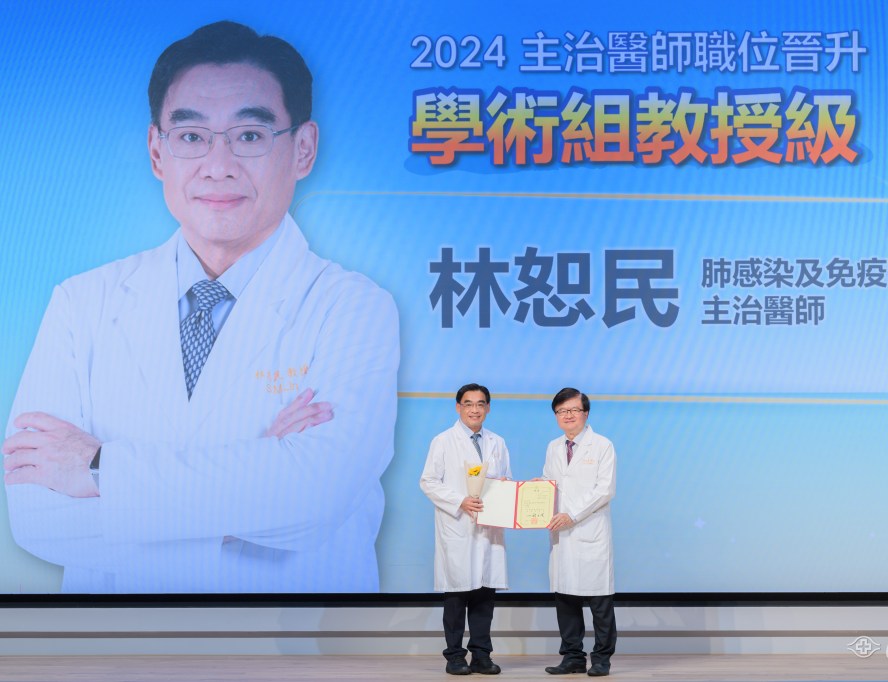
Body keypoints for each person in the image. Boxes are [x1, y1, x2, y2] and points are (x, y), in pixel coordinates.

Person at [1, 21, 399, 593]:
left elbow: (316, 497)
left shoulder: (354, 309)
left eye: (249, 135)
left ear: (303, 149)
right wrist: (249, 503)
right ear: (156, 151)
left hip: (290, 641)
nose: (218, 164)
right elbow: (36, 516)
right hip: (121, 641)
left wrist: (98, 468)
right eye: (191, 136)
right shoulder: (81, 304)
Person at [420, 384, 511, 676]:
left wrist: (510, 491)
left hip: (488, 529)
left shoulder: (497, 442)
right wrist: (460, 501)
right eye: (468, 403)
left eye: (480, 404)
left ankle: (482, 655)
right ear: (458, 407)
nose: (475, 409)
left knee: (484, 596)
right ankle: (455, 656)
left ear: (488, 408)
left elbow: (506, 480)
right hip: (458, 527)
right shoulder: (443, 441)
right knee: (457, 597)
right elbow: (428, 481)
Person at [542, 388, 617, 677]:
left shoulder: (602, 445)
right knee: (565, 599)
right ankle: (572, 657)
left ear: (585, 413)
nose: (568, 415)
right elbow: (550, 481)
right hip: (562, 535)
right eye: (562, 411)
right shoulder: (553, 447)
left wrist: (572, 515)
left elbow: (604, 490)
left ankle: (601, 659)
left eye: (574, 410)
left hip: (589, 531)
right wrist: (536, 491)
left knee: (600, 602)